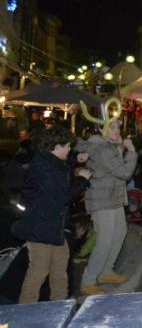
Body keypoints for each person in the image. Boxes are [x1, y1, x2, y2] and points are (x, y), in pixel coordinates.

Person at [12, 125, 92, 303]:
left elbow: (62, 164)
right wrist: (82, 180)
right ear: (56, 146)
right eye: (68, 146)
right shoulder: (46, 169)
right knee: (39, 271)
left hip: (53, 226)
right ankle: (25, 311)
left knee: (59, 271)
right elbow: (61, 197)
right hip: (40, 228)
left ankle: (60, 307)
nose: (69, 149)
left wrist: (75, 158)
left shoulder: (49, 160)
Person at [79, 118, 138, 295]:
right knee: (104, 240)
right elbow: (124, 173)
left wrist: (119, 146)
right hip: (102, 199)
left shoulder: (109, 146)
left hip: (114, 198)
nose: (116, 131)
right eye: (112, 127)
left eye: (118, 127)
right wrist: (131, 151)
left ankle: (106, 272)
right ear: (101, 130)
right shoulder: (101, 148)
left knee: (119, 233)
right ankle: (88, 280)